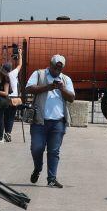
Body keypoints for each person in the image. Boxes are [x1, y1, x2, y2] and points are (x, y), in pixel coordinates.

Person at [24, 54, 75, 188]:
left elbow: (71, 98)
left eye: (60, 68)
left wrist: (61, 88)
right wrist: (47, 87)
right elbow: (28, 88)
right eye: (55, 67)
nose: (57, 70)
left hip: (58, 122)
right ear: (50, 64)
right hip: (39, 120)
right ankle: (38, 168)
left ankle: (51, 178)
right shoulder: (39, 74)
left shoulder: (65, 79)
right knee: (36, 148)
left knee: (54, 151)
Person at [2, 45, 24, 142]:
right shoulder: (13, 73)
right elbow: (20, 65)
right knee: (11, 116)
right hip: (14, 98)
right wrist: (19, 54)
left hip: (5, 97)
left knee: (5, 116)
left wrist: (6, 54)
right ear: (10, 69)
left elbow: (5, 64)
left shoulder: (3, 75)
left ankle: (5, 132)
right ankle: (8, 133)